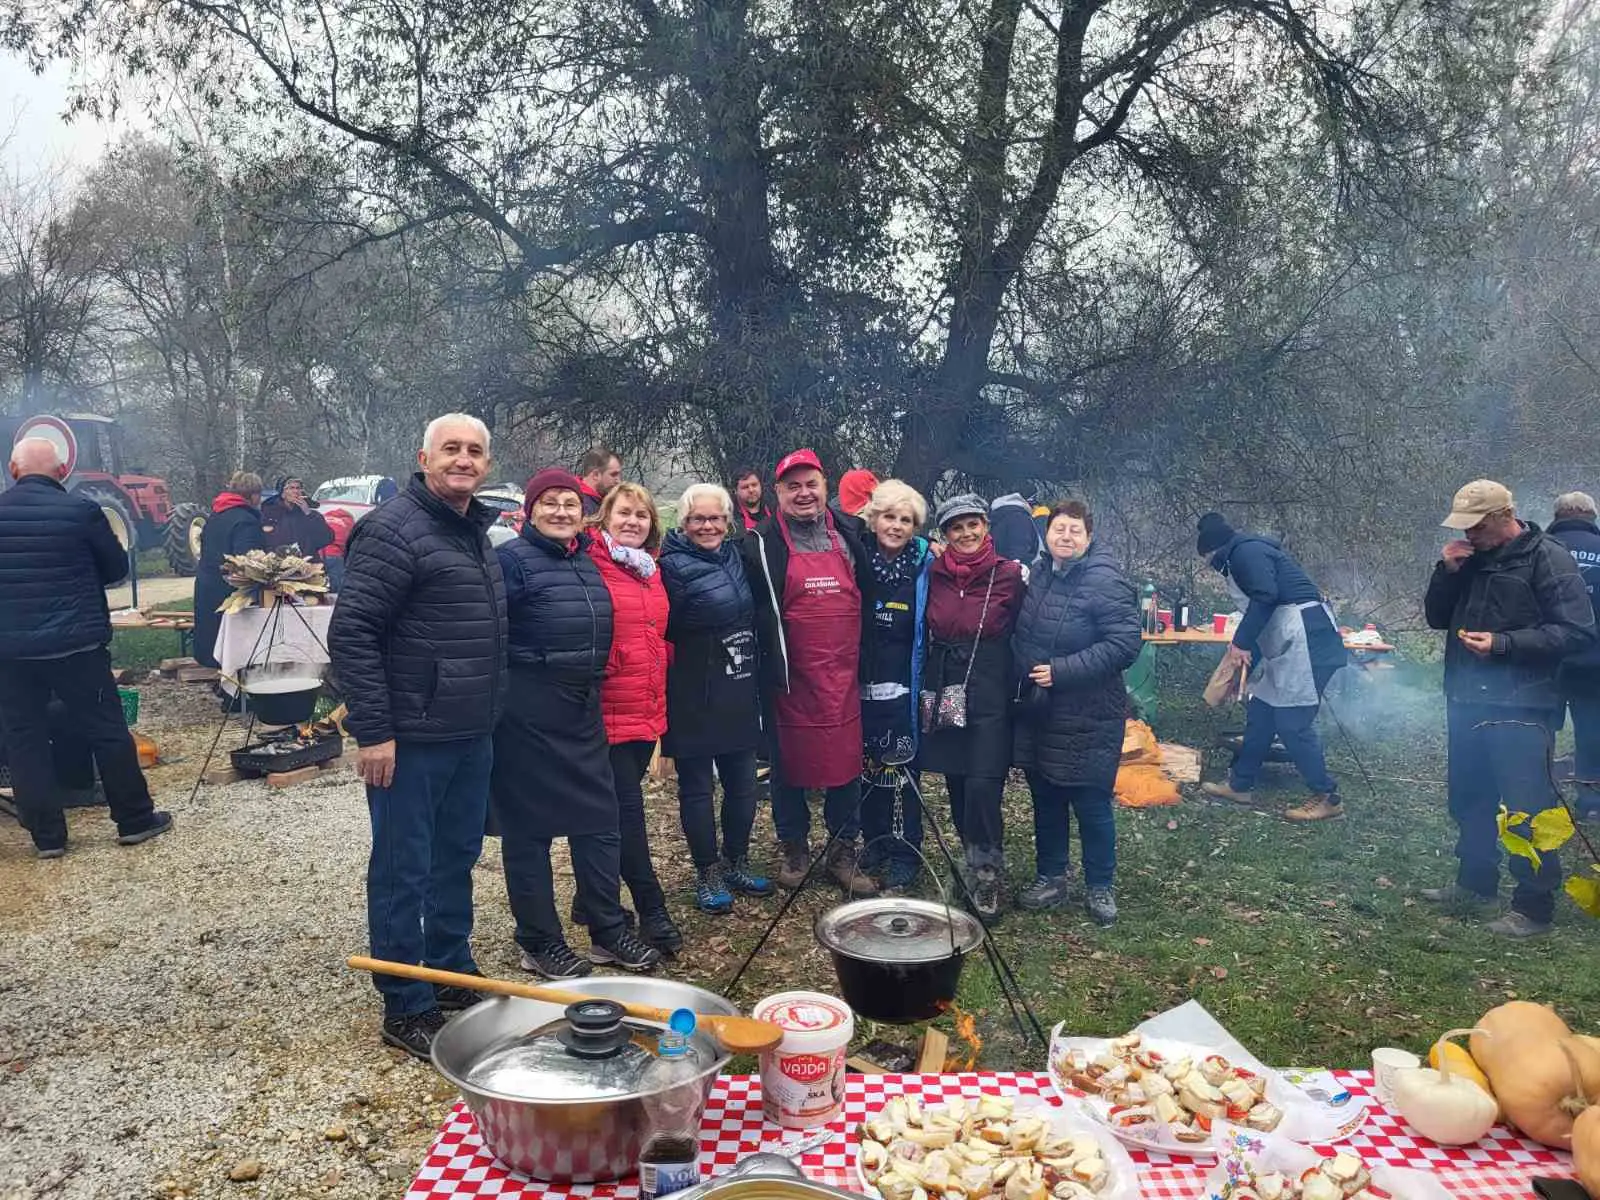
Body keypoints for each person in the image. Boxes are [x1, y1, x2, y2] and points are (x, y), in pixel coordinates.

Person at [327, 415, 508, 1059]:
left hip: (469, 731)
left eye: (475, 451)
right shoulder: (394, 529)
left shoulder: (473, 529)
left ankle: (450, 969)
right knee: (405, 868)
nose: (464, 460)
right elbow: (352, 633)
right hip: (410, 737)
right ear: (424, 457)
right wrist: (374, 731)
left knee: (455, 857)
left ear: (487, 463)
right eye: (451, 449)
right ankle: (404, 1002)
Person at [493, 469, 661, 978]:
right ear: (529, 510)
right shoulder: (510, 562)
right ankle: (539, 940)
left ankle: (607, 932)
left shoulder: (585, 562)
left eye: (569, 503)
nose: (561, 512)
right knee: (530, 832)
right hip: (527, 709)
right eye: (550, 503)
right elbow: (491, 633)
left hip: (583, 706)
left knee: (599, 822)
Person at [1422, 480, 1595, 937]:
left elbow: (1577, 633)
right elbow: (1437, 618)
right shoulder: (1468, 559)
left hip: (1524, 704)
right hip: (1465, 698)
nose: (1469, 534)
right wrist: (1447, 572)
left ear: (1505, 516)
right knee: (1469, 797)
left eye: (1476, 526)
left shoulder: (1548, 557)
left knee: (1526, 807)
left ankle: (1533, 907)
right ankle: (1475, 884)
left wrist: (1503, 644)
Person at [0, 438, 173, 858]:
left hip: (11, 651)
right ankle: (134, 820)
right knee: (107, 731)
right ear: (61, 472)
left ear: (12, 468)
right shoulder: (82, 511)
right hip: (77, 645)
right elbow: (116, 569)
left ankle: (48, 838)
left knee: (25, 740)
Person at [743, 448, 878, 895]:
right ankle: (795, 848)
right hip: (790, 679)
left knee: (846, 767)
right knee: (788, 768)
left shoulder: (852, 533)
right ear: (778, 492)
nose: (804, 493)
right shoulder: (760, 542)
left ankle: (842, 853)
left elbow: (899, 551)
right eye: (793, 486)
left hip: (843, 675)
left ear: (825, 487)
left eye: (811, 484)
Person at [1011, 500, 1140, 926]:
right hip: (1043, 711)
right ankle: (1051, 876)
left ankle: (1100, 885)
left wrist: (1063, 671)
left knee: (1091, 802)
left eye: (1075, 531)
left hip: (1088, 713)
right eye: (1059, 529)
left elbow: (1125, 643)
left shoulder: (1104, 580)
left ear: (1089, 537)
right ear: (1047, 534)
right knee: (1046, 795)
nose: (1066, 537)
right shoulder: (1044, 571)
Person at [659, 483, 774, 911]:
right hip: (692, 689)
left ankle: (736, 859)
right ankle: (706, 872)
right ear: (684, 523)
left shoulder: (738, 555)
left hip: (738, 684)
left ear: (728, 522)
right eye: (698, 519)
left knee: (743, 783)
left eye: (715, 519)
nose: (707, 526)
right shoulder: (669, 566)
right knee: (697, 788)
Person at [578, 482, 682, 955]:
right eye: (624, 513)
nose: (633, 521)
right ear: (604, 518)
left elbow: (657, 630)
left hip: (646, 705)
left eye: (642, 515)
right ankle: (651, 908)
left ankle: (588, 897)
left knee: (617, 808)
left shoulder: (650, 571)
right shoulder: (590, 564)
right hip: (607, 708)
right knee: (625, 812)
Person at [1195, 512, 1349, 821]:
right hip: (1290, 643)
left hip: (1308, 639)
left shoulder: (1245, 552)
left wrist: (1240, 642)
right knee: (1262, 712)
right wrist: (1241, 668)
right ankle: (1240, 784)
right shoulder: (1247, 551)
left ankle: (1327, 796)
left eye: (1210, 559)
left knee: (1293, 723)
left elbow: (1266, 596)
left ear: (1214, 550)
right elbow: (1264, 612)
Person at [920, 494, 1026, 916]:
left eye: (972, 524)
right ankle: (971, 860)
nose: (965, 533)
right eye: (955, 527)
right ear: (944, 535)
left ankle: (988, 873)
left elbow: (1024, 627)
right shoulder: (933, 574)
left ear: (986, 527)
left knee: (984, 784)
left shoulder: (1010, 575)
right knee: (958, 783)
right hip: (946, 683)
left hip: (990, 687)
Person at [857, 480, 935, 891]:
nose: (897, 526)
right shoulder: (857, 558)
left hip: (905, 685)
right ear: (874, 518)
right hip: (861, 683)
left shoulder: (925, 564)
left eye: (906, 520)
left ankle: (908, 851)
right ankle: (875, 842)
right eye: (889, 516)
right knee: (869, 771)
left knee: (905, 772)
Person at [1548, 491, 1600, 822]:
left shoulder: (1538, 550)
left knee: (1538, 727)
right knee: (1592, 730)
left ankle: (1538, 798)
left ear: (1557, 516)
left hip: (1545, 657)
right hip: (1594, 663)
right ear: (1593, 518)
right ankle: (1590, 803)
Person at [260, 476, 334, 559]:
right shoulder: (269, 512)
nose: (295, 491)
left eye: (298, 488)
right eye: (291, 488)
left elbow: (326, 538)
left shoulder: (311, 515)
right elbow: (262, 539)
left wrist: (308, 513)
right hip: (278, 563)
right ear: (282, 493)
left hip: (306, 563)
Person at [990, 493, 1043, 569]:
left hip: (997, 573)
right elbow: (1019, 553)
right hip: (1019, 574)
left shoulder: (995, 520)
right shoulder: (1019, 518)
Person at [576, 447, 623, 516]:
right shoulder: (581, 506)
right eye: (613, 475)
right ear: (595, 475)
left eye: (619, 475)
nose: (618, 481)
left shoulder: (605, 502)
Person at [732, 466, 773, 533]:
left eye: (754, 485)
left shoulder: (775, 507)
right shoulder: (731, 517)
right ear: (735, 491)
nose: (751, 490)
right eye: (745, 487)